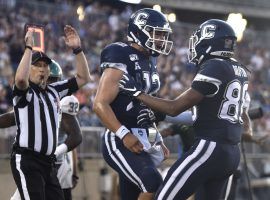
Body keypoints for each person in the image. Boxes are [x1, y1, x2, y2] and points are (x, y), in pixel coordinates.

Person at [119, 19, 251, 200]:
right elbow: (200, 116)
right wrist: (161, 114)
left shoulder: (214, 66)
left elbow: (174, 107)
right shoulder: (239, 69)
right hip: (231, 154)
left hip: (210, 148)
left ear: (208, 41)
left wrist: (138, 94)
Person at [93, 8, 172, 200]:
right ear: (138, 31)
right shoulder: (119, 53)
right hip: (119, 138)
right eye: (156, 34)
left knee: (132, 194)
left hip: (142, 137)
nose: (161, 40)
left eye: (163, 35)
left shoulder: (151, 59)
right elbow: (100, 104)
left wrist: (157, 138)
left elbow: (147, 111)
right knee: (153, 182)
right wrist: (124, 134)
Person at [10, 25, 91, 200]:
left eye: (45, 66)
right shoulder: (25, 92)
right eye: (37, 65)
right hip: (27, 160)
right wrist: (29, 48)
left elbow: (84, 78)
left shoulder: (55, 90)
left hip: (49, 163)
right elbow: (20, 79)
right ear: (28, 68)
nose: (42, 69)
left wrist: (77, 49)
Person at [2, 60, 82, 200]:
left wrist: (57, 154)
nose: (47, 82)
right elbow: (12, 117)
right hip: (35, 161)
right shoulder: (34, 97)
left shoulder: (61, 98)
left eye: (52, 80)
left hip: (56, 163)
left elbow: (76, 136)